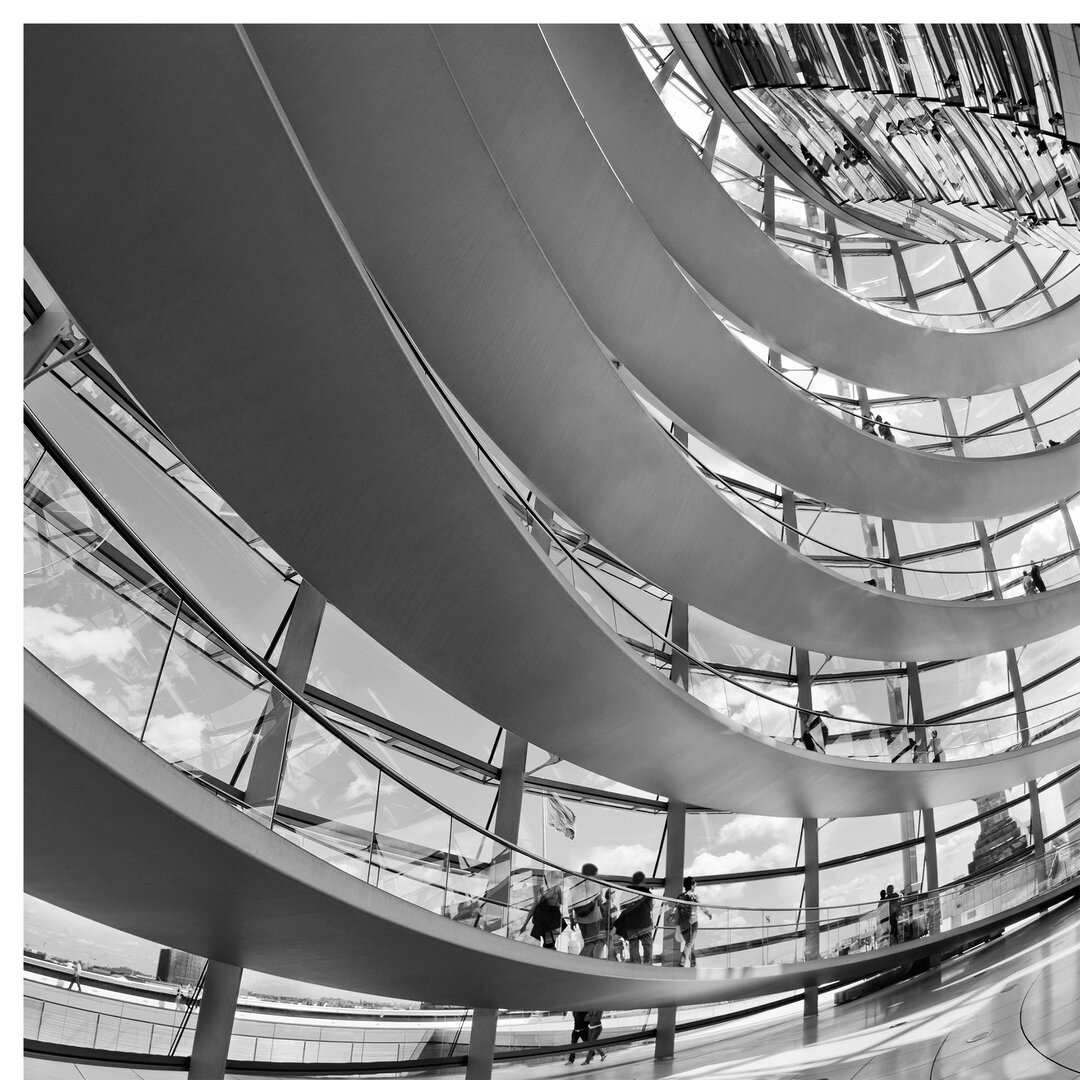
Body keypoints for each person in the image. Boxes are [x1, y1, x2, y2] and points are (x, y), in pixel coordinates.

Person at [569, 863, 609, 959]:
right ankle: (578, 962)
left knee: (587, 942)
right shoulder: (595, 882)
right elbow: (599, 900)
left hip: (580, 917)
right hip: (593, 917)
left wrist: (571, 918)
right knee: (591, 943)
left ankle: (587, 964)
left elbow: (570, 902)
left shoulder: (576, 883)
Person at [616, 870, 655, 964]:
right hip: (644, 923)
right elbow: (651, 906)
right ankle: (647, 964)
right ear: (643, 880)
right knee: (648, 945)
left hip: (631, 924)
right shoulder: (646, 891)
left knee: (633, 946)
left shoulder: (627, 891)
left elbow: (622, 907)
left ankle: (636, 966)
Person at [520, 871, 564, 949]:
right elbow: (562, 902)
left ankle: (546, 957)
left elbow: (532, 909)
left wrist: (524, 925)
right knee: (550, 944)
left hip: (544, 921)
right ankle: (548, 958)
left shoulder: (540, 891)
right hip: (553, 920)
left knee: (548, 943)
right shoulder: (557, 888)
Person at [677, 876, 712, 967]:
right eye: (695, 884)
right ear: (692, 885)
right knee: (689, 943)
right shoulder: (693, 896)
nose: (696, 885)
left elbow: (676, 908)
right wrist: (708, 914)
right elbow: (701, 906)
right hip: (692, 922)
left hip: (682, 924)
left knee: (691, 945)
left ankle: (693, 965)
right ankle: (682, 963)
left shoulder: (680, 896)